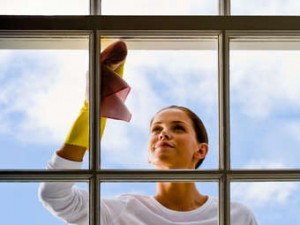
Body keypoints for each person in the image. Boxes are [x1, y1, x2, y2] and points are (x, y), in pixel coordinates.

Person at [39, 40, 258, 225]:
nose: (163, 134)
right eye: (156, 129)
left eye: (178, 128)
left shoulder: (236, 216)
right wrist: (94, 110)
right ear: (148, 154)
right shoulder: (122, 213)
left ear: (201, 150)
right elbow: (55, 195)